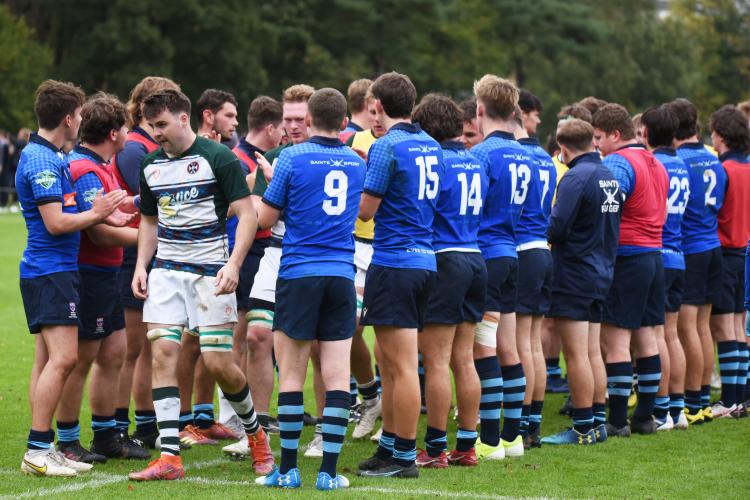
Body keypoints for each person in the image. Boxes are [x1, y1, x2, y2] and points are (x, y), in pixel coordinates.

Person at [127, 89, 273, 481]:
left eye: (161, 124)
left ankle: (257, 436)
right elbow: (149, 220)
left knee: (217, 362)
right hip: (166, 273)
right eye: (151, 125)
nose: (156, 133)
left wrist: (234, 264)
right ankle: (170, 457)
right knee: (162, 354)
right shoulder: (151, 166)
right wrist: (142, 265)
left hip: (210, 273)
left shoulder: (218, 158)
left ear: (183, 118)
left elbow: (247, 215)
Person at [254, 88, 365, 490]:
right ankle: (329, 473)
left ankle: (286, 470)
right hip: (341, 275)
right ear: (344, 122)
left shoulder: (290, 158)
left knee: (292, 376)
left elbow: (267, 217)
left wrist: (267, 184)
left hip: (299, 272)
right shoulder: (355, 162)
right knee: (336, 377)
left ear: (308, 117)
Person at [18, 80, 128, 476]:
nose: (82, 120)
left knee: (52, 359)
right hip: (50, 271)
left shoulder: (53, 156)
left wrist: (107, 210)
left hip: (55, 271)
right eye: (80, 114)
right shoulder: (42, 161)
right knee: (64, 358)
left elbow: (74, 211)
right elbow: (57, 223)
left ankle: (46, 446)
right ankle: (38, 448)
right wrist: (97, 214)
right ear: (68, 118)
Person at [55, 93, 148, 463]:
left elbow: (113, 215)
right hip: (91, 273)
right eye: (125, 126)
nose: (128, 133)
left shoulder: (102, 165)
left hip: (108, 272)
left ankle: (107, 435)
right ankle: (67, 440)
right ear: (113, 132)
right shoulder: (86, 169)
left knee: (114, 352)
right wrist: (152, 239)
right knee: (84, 357)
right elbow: (100, 233)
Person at [357, 72, 441, 479]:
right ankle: (390, 448)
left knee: (401, 365)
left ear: (378, 106)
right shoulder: (430, 143)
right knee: (390, 364)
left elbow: (365, 211)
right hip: (423, 260)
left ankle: (404, 456)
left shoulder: (386, 145)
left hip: (395, 261)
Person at [243, 84, 330, 459]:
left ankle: (326, 430)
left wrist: (278, 181)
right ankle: (258, 428)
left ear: (313, 118)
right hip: (276, 256)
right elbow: (263, 218)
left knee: (318, 348)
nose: (293, 126)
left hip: (315, 257)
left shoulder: (334, 156)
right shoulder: (274, 155)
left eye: (300, 119)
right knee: (256, 335)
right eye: (287, 119)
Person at [410, 94, 486, 468]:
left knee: (437, 359)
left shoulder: (435, 160)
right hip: (475, 256)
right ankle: (467, 445)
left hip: (445, 257)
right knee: (464, 359)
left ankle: (436, 449)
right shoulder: (476, 160)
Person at [540, 118, 621, 445]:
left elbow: (556, 228)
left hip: (574, 273)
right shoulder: (607, 174)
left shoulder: (576, 177)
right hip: (601, 270)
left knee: (576, 354)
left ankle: (584, 427)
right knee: (591, 352)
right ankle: (598, 422)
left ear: (562, 149)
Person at [113, 76, 181, 449]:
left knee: (146, 347)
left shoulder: (144, 145)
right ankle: (122, 427)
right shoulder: (137, 150)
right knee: (133, 349)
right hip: (132, 258)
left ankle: (143, 425)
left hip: (149, 257)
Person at [593, 103, 668, 437]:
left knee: (616, 340)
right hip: (655, 255)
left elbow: (609, 210)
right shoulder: (657, 162)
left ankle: (619, 419)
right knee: (648, 336)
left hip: (628, 256)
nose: (596, 145)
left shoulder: (618, 163)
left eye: (598, 137)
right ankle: (646, 417)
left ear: (615, 134)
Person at [470, 75, 532, 460]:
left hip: (488, 254)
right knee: (509, 346)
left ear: (479, 111)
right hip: (513, 251)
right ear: (513, 112)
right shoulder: (527, 153)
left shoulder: (482, 154)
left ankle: (490, 440)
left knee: (484, 348)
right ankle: (514, 437)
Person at [177, 88, 243, 444]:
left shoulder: (221, 153)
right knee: (189, 344)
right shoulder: (191, 155)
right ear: (208, 116)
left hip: (219, 260)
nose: (235, 122)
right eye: (230, 115)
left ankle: (203, 418)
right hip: (192, 263)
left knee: (209, 344)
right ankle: (184, 421)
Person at [217, 95, 284, 438]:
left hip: (267, 254)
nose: (292, 128)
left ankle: (253, 417)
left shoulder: (259, 160)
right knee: (242, 335)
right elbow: (255, 215)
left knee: (253, 336)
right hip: (249, 254)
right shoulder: (244, 159)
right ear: (273, 127)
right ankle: (233, 415)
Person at [668, 98, 727, 423]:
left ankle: (691, 401)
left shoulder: (679, 161)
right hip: (713, 246)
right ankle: (701, 397)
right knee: (702, 326)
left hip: (689, 248)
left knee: (686, 328)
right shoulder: (713, 158)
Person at [641, 105, 691, 430]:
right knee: (672, 334)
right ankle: (678, 409)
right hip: (680, 254)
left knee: (657, 333)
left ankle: (661, 413)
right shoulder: (682, 165)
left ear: (645, 133)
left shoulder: (654, 164)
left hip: (658, 252)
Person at [513, 107, 556, 448]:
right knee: (533, 342)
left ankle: (522, 422)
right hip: (542, 246)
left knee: (522, 342)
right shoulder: (545, 156)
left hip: (523, 250)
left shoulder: (516, 156)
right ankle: (533, 424)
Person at [346, 91, 385, 442]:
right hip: (356, 245)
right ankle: (370, 397)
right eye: (371, 112)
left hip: (390, 247)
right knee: (352, 326)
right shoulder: (351, 141)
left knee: (391, 334)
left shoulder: (401, 145)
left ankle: (392, 412)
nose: (375, 118)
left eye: (380, 112)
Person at [709, 105, 750, 417]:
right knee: (738, 326)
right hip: (745, 254)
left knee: (725, 328)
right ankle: (741, 396)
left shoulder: (722, 171)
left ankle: (729, 399)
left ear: (720, 136)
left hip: (725, 252)